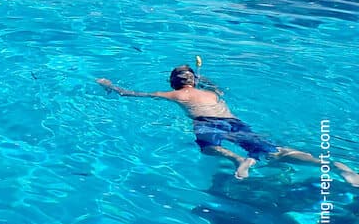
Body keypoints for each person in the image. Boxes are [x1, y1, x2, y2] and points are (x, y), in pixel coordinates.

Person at [97, 66, 359, 185]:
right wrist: (205, 78)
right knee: (273, 150)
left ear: (172, 83)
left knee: (208, 147)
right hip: (234, 121)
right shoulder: (213, 94)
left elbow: (131, 94)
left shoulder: (175, 95)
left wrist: (109, 86)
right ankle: (332, 165)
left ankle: (237, 160)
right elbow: (217, 87)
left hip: (206, 123)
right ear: (195, 80)